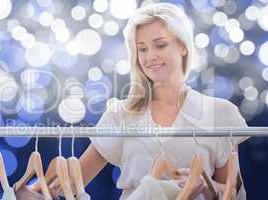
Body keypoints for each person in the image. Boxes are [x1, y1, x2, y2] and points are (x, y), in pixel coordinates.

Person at [79, 2, 248, 200]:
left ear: (183, 46)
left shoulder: (220, 113)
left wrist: (206, 186)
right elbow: (72, 180)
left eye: (160, 45)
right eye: (142, 49)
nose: (150, 56)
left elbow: (232, 193)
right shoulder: (120, 114)